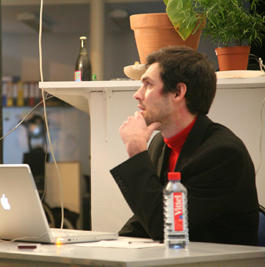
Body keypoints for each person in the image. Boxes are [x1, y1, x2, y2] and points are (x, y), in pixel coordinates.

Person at [110, 46, 259, 246]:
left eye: (148, 85)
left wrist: (136, 151)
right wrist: (106, 245)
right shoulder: (160, 143)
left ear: (178, 92)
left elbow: (163, 226)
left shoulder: (223, 154)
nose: (137, 94)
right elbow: (145, 217)